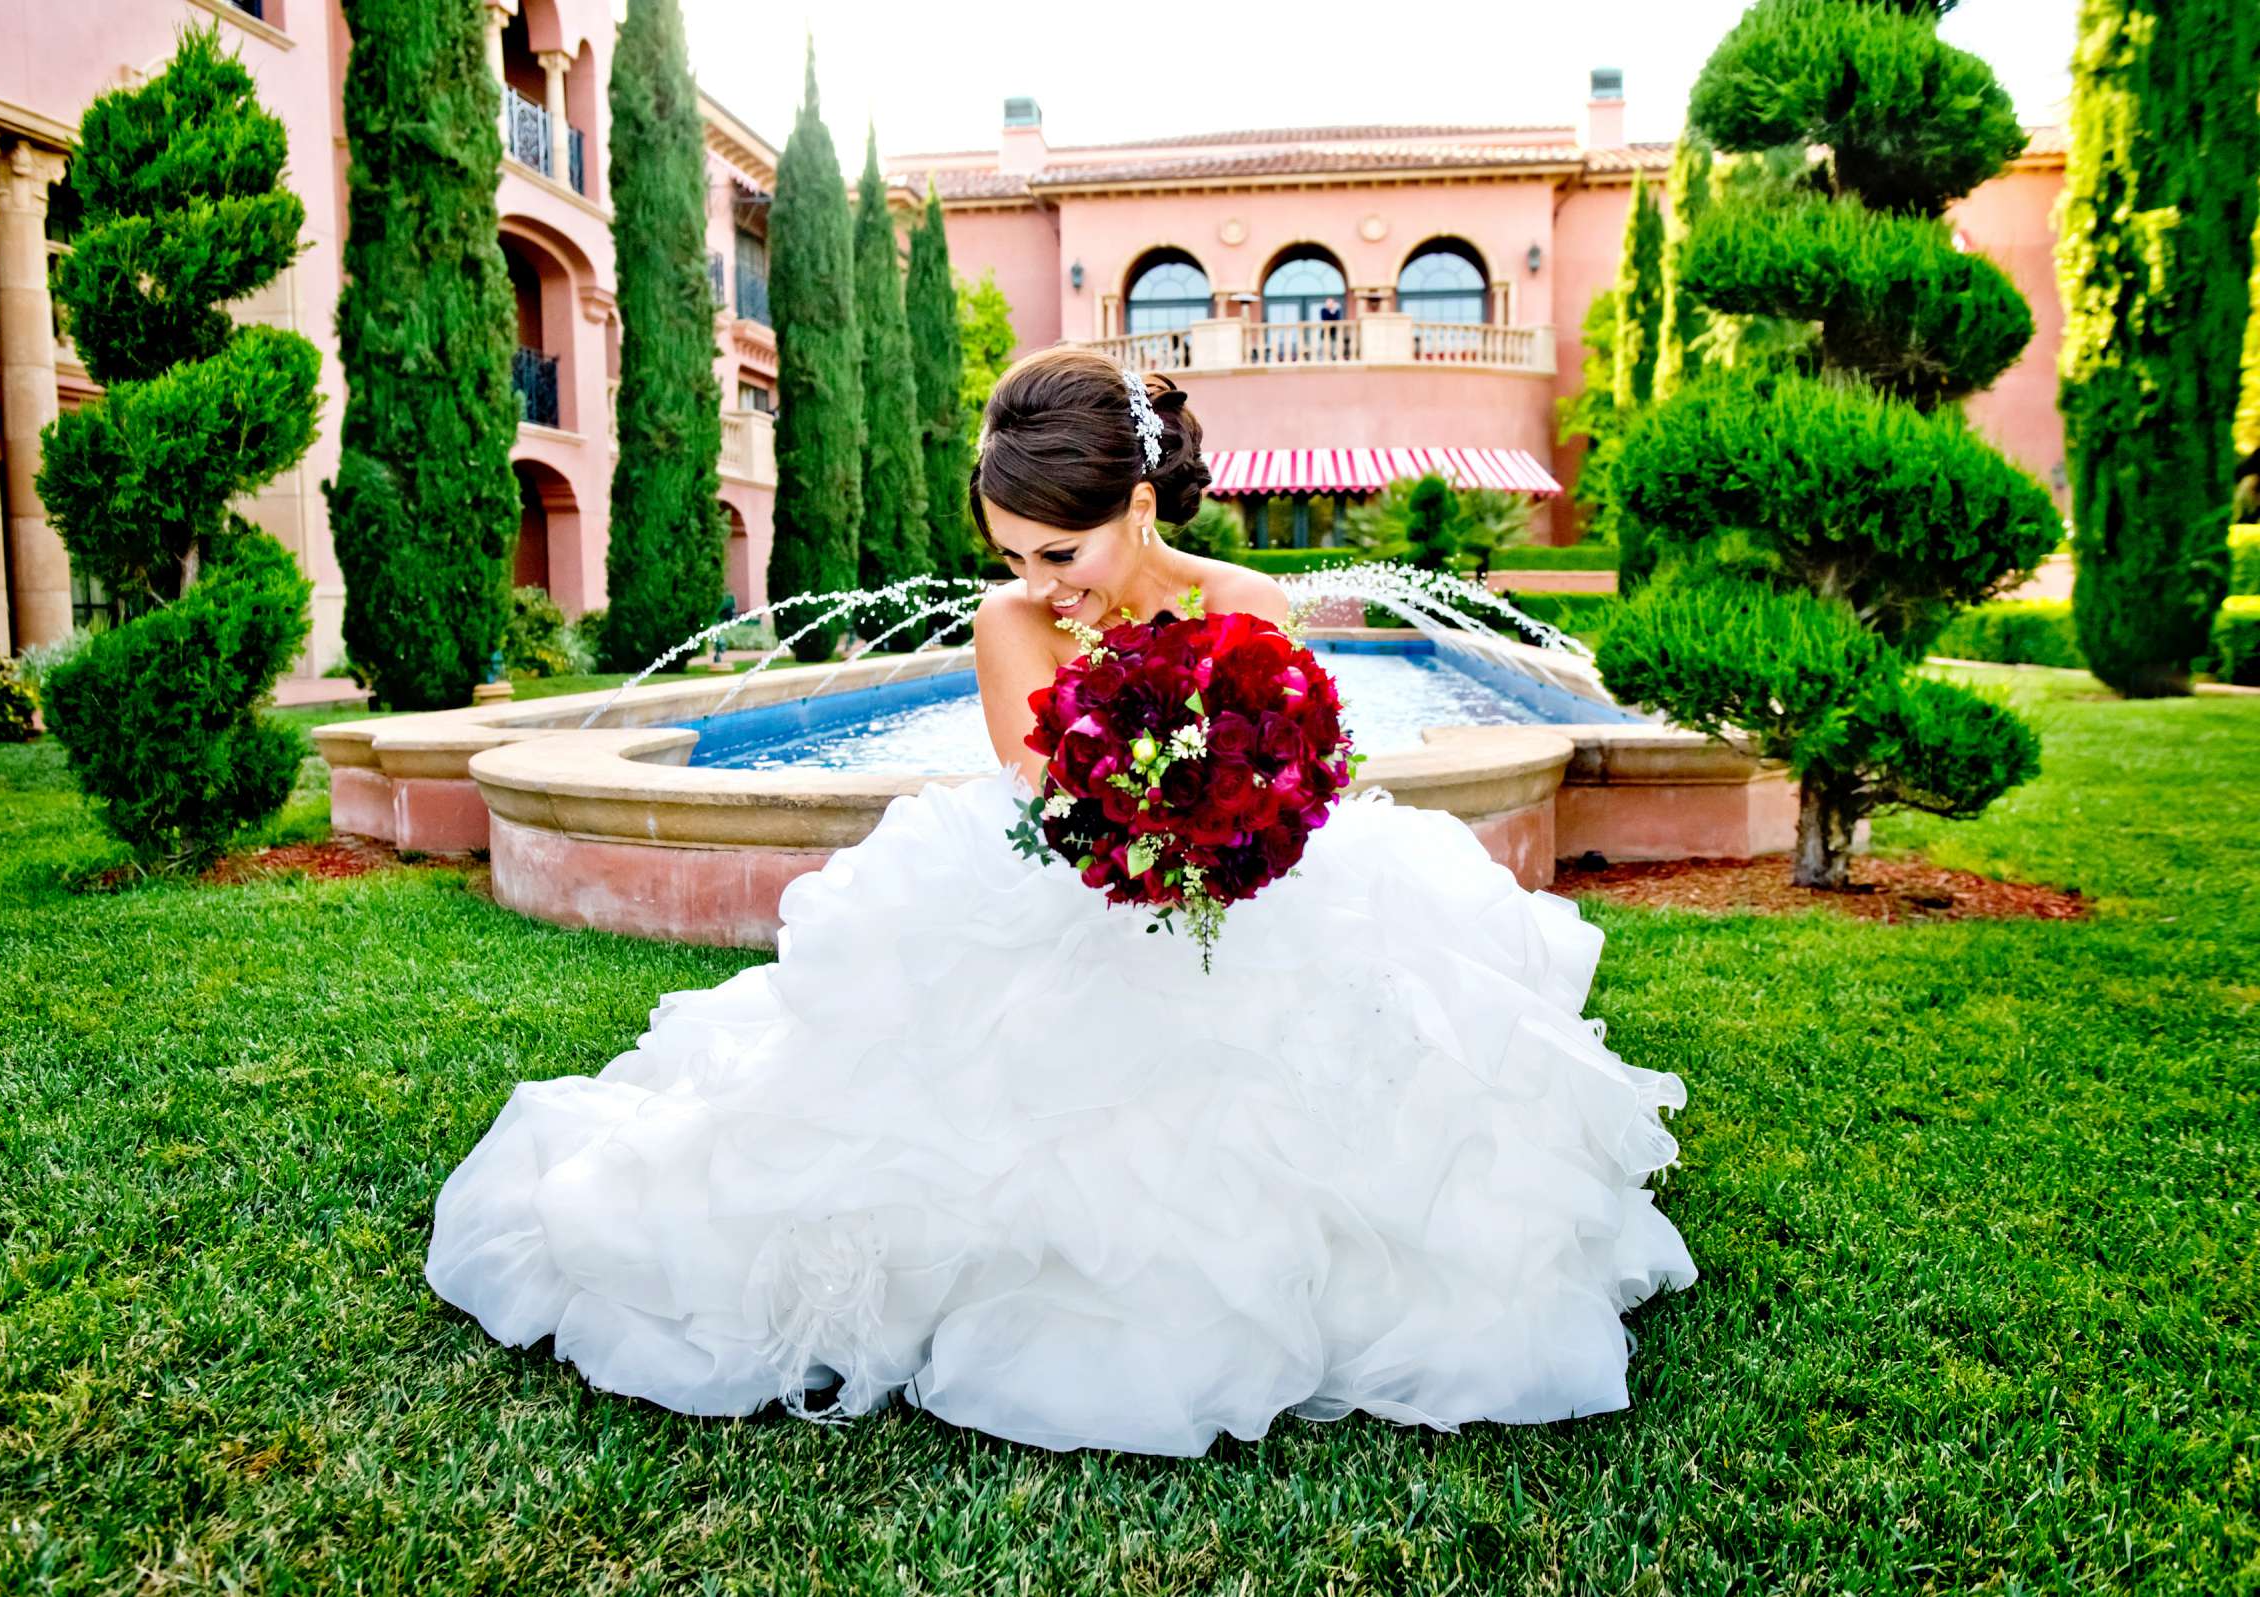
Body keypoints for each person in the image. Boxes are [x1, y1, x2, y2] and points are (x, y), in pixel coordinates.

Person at [424, 347, 1696, 1458]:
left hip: (1249, 896)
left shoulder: (1252, 610)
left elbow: (1305, 777)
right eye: (1013, 556)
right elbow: (1053, 797)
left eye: (1060, 551)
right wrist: (1163, 812)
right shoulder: (1011, 625)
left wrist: (1237, 816)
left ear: (1139, 504)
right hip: (1058, 890)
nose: (1040, 583)